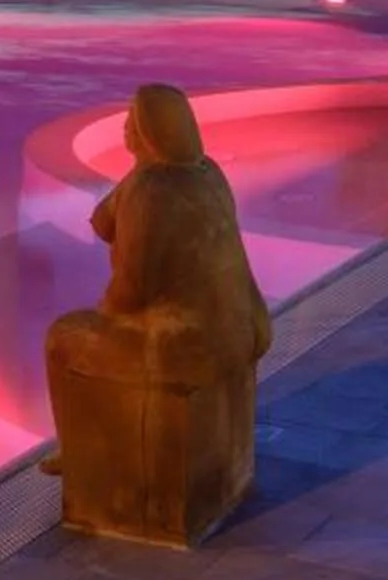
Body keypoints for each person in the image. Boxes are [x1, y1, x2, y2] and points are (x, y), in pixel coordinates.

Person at [41, 84, 272, 540]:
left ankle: (76, 454)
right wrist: (139, 171)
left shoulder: (152, 189)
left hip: (185, 346)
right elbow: (106, 220)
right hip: (244, 329)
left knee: (62, 339)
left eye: (133, 119)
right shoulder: (207, 173)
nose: (125, 127)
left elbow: (132, 293)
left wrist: (103, 324)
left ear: (149, 130)